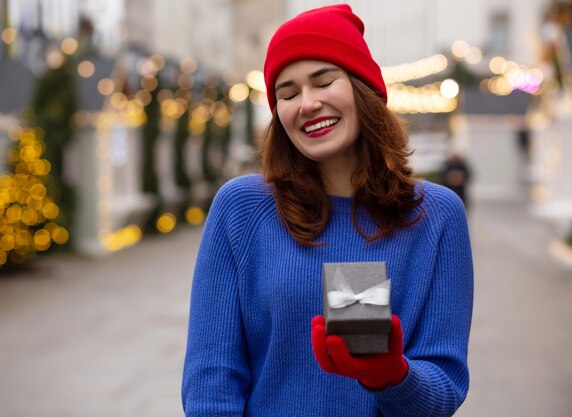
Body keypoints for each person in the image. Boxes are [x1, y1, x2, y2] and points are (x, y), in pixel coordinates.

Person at [181, 4, 473, 416]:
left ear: (362, 87)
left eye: (323, 81)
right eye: (288, 93)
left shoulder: (437, 216)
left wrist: (392, 376)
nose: (307, 103)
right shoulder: (241, 209)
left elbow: (444, 390)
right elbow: (211, 383)